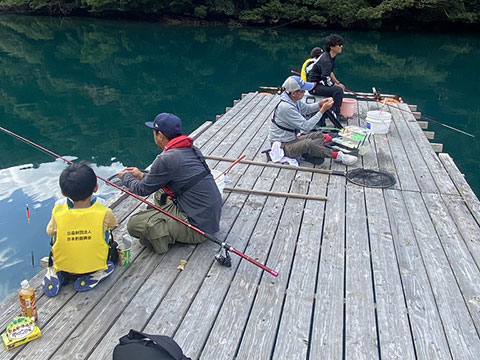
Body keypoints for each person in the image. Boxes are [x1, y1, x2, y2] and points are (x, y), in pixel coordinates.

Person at [118, 113, 222, 255]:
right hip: (210, 217)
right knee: (160, 192)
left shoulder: (165, 159)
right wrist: (141, 175)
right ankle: (163, 221)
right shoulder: (191, 149)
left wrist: (126, 177)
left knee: (134, 224)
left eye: (154, 133)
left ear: (160, 135)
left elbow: (141, 189)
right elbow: (167, 178)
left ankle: (160, 236)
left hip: (198, 228)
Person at [42, 162, 117, 297]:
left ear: (63, 192)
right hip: (94, 264)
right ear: (95, 187)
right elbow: (113, 224)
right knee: (105, 232)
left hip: (65, 266)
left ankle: (58, 272)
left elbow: (49, 231)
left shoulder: (58, 209)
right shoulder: (103, 208)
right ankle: (97, 272)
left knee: (56, 234)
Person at [269, 75, 357, 165]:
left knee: (319, 135)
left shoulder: (293, 100)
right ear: (293, 93)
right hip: (283, 145)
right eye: (302, 91)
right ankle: (337, 156)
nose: (304, 92)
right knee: (307, 143)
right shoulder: (286, 107)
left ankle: (310, 151)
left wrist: (320, 104)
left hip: (293, 139)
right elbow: (306, 126)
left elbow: (306, 109)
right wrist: (322, 110)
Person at [307, 34, 347, 121]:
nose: (341, 47)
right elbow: (325, 77)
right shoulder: (326, 60)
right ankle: (336, 114)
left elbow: (330, 72)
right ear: (332, 47)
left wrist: (337, 82)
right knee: (338, 90)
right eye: (339, 45)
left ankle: (330, 110)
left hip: (319, 83)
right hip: (314, 86)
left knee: (337, 88)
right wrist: (335, 86)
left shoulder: (330, 57)